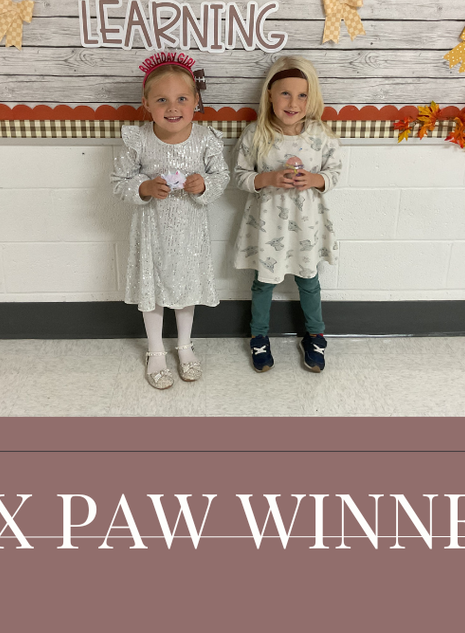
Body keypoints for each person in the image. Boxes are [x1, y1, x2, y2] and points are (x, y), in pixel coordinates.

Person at [111, 53, 229, 389]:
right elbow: (119, 181)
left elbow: (221, 176)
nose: (172, 107)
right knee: (152, 289)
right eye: (162, 99)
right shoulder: (139, 139)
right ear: (146, 103)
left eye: (181, 99)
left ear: (195, 102)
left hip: (191, 230)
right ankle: (155, 350)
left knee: (185, 288)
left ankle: (184, 345)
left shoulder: (206, 139)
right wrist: (144, 187)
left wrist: (203, 184)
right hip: (151, 230)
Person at [233, 56, 341, 373]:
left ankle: (315, 335)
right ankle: (259, 335)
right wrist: (266, 178)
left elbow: (334, 173)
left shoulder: (321, 135)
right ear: (269, 94)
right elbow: (239, 175)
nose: (293, 103)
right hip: (268, 225)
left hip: (306, 226)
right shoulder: (256, 134)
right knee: (263, 282)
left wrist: (316, 179)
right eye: (285, 93)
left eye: (302, 95)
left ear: (312, 98)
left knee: (309, 280)